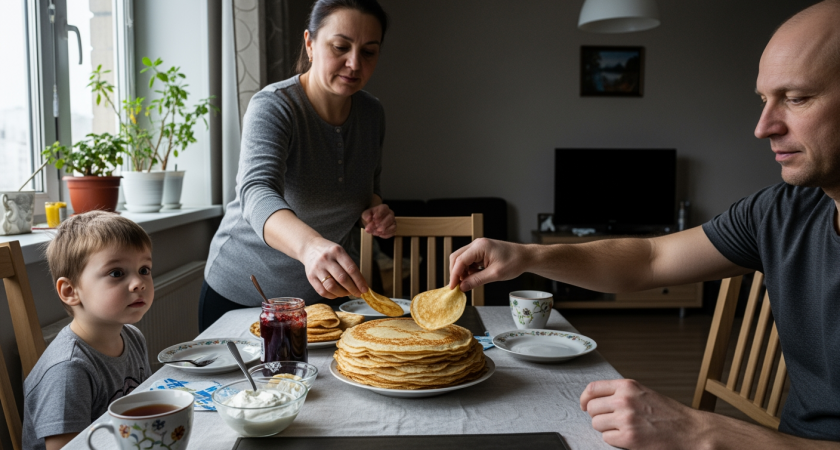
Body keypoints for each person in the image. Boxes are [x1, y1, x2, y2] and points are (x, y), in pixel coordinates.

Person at [448, 1, 840, 448]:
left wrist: (704, 430)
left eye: (796, 98)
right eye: (764, 99)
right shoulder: (780, 211)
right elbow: (650, 258)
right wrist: (527, 255)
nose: (763, 126)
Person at [200, 0, 395, 331]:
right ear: (310, 43)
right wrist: (309, 246)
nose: (353, 63)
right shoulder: (274, 106)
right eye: (340, 47)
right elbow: (255, 190)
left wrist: (375, 211)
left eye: (369, 52)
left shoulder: (372, 114)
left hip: (321, 298)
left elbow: (368, 190)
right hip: (245, 294)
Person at [23, 211, 154, 450]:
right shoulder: (68, 370)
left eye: (144, 269)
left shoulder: (133, 338)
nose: (139, 282)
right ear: (70, 291)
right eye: (117, 273)